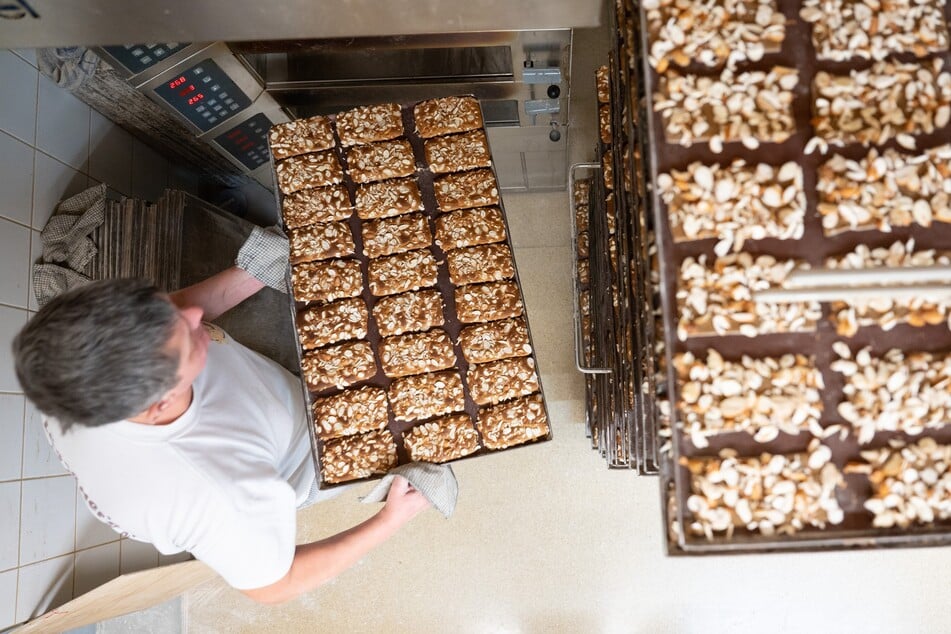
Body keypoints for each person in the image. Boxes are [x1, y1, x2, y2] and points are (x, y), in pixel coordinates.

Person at [12, 227, 431, 605]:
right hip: (302, 462)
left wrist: (251, 273)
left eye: (166, 312)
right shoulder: (223, 495)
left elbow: (179, 311)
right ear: (160, 402)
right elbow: (274, 586)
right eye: (187, 336)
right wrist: (390, 518)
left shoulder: (70, 371)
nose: (194, 315)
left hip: (262, 408)